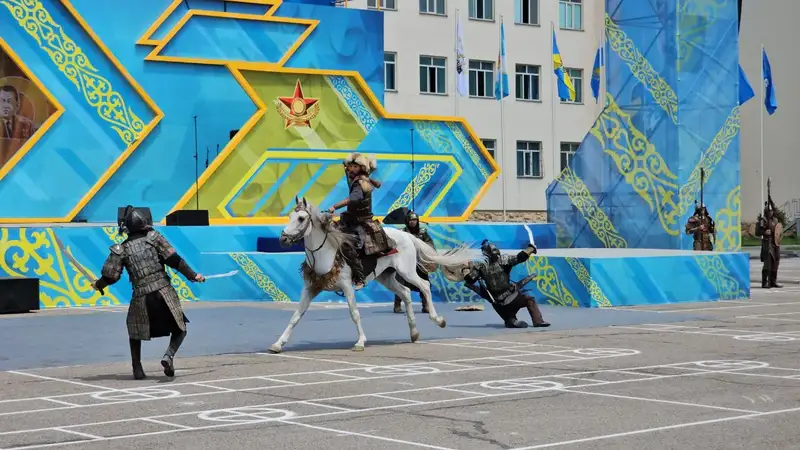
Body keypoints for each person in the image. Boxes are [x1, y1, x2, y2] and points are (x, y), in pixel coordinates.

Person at [92, 206, 205, 380]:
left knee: (134, 332)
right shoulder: (155, 238)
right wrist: (193, 275)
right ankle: (168, 355)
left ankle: (137, 369)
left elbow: (110, 276)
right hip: (162, 291)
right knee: (180, 328)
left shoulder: (121, 249)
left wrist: (98, 285)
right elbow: (175, 260)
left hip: (141, 295)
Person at [328, 152, 394, 290]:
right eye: (350, 166)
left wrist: (335, 206)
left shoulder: (361, 184)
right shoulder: (358, 179)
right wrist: (346, 169)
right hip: (350, 219)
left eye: (354, 167)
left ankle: (360, 278)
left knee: (348, 246)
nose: (351, 169)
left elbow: (353, 199)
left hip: (360, 223)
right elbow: (348, 178)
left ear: (361, 168)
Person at [462, 240, 550, 329]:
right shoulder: (499, 261)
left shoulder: (481, 266)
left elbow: (470, 280)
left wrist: (465, 269)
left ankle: (511, 320)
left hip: (498, 303)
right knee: (529, 300)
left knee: (510, 319)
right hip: (507, 300)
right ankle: (537, 321)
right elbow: (520, 257)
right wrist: (531, 249)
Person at [393, 211, 433, 314]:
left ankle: (426, 305)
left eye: (414, 220)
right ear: (407, 221)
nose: (413, 222)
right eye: (410, 220)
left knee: (424, 282)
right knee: (401, 282)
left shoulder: (423, 232)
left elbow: (430, 245)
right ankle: (397, 305)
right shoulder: (402, 233)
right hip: (405, 262)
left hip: (420, 262)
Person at [0, 85, 36, 166]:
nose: (5, 105)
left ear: (17, 104)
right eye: (2, 101)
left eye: (9, 101)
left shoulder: (26, 124)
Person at [756, 199, 783, 289]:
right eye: (769, 211)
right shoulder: (763, 220)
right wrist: (764, 232)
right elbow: (758, 232)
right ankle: (765, 282)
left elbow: (778, 231)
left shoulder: (775, 220)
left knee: (776, 263)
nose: (771, 212)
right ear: (766, 211)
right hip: (767, 243)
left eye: (771, 211)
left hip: (775, 243)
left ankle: (773, 281)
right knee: (768, 264)